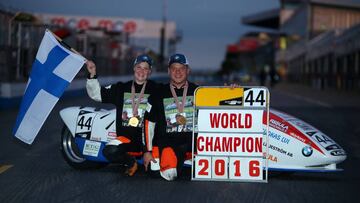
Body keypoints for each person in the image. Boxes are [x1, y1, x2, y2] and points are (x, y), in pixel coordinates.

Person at [86, 54, 158, 176]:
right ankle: (130, 162)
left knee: (156, 172)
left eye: (146, 68)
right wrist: (92, 74)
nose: (142, 71)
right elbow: (97, 94)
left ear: (150, 71)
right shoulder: (121, 88)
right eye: (139, 67)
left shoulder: (156, 89)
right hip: (126, 139)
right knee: (109, 150)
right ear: (134, 68)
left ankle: (147, 158)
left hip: (149, 142)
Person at [142, 53, 198, 181]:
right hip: (165, 144)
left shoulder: (198, 92)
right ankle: (175, 163)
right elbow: (148, 124)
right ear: (168, 71)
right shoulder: (158, 93)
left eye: (181, 68)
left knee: (170, 173)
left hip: (189, 145)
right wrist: (147, 151)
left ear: (188, 70)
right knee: (156, 170)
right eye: (174, 68)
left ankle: (184, 160)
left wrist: (232, 91)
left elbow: (220, 105)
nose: (178, 72)